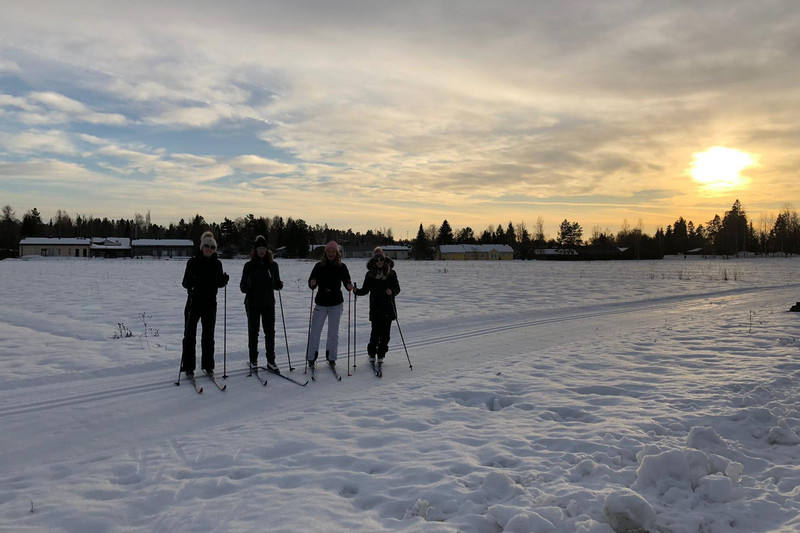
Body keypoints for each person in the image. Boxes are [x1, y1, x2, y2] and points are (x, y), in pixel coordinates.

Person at [180, 231, 229, 377]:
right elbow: (185, 282)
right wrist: (191, 283)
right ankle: (188, 366)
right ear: (202, 247)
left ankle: (208, 365)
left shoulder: (217, 263)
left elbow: (219, 283)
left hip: (210, 304)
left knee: (208, 335)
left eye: (212, 247)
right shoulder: (193, 262)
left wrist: (223, 280)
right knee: (189, 335)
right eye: (206, 246)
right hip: (193, 303)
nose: (209, 249)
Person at [240, 235, 283, 373]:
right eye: (259, 248)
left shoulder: (273, 265)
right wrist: (246, 286)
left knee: (270, 332)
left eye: (264, 248)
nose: (262, 251)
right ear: (255, 249)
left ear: (267, 249)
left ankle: (271, 360)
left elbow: (277, 283)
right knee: (253, 332)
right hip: (252, 303)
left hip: (268, 303)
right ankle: (253, 359)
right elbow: (242, 287)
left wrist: (278, 284)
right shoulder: (249, 265)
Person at [306, 241, 353, 370]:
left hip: (336, 303)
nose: (331, 254)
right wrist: (312, 283)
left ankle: (332, 358)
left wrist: (349, 286)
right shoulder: (318, 266)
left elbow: (346, 281)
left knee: (333, 332)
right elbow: (311, 282)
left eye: (333, 251)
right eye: (329, 251)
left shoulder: (342, 267)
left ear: (337, 253)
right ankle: (311, 358)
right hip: (320, 303)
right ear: (325, 253)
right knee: (315, 331)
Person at [354, 247, 400, 364]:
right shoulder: (370, 275)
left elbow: (397, 288)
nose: (379, 262)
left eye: (381, 259)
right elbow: (365, 290)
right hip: (375, 308)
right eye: (377, 259)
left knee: (386, 335)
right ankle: (372, 353)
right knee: (375, 333)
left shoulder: (391, 273)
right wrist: (356, 291)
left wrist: (392, 292)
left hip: (388, 308)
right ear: (374, 261)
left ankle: (381, 354)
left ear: (384, 259)